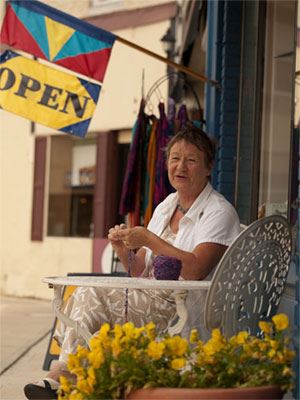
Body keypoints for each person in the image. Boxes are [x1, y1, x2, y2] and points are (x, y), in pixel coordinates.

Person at [24, 123, 241, 399]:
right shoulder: (167, 205)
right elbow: (140, 269)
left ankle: (66, 377)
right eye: (175, 158)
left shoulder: (218, 212)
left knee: (90, 294)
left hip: (181, 306)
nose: (180, 167)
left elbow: (196, 268)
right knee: (85, 294)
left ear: (208, 167)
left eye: (191, 160)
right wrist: (120, 247)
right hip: (148, 298)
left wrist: (149, 238)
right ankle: (67, 377)